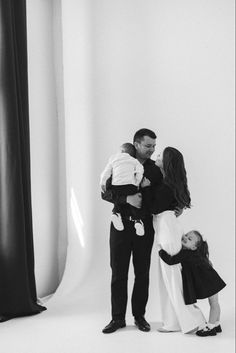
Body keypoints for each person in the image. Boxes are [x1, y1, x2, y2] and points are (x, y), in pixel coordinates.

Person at [101, 128, 162, 333]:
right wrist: (126, 199)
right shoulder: (120, 161)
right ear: (136, 144)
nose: (152, 150)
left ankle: (139, 317)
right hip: (119, 225)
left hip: (144, 226)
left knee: (142, 273)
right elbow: (105, 192)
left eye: (154, 146)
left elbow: (161, 196)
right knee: (118, 273)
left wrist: (175, 207)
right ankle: (117, 318)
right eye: (148, 146)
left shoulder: (155, 170)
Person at [145, 147, 206, 333]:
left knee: (172, 279)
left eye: (160, 156)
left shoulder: (165, 186)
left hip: (168, 233)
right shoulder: (167, 184)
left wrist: (146, 188)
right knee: (169, 279)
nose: (156, 156)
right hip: (169, 230)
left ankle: (186, 321)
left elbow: (153, 208)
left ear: (167, 162)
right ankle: (174, 321)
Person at [158, 230, 226, 336]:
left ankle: (211, 327)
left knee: (213, 304)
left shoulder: (186, 253)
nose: (185, 237)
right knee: (214, 303)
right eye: (186, 235)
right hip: (212, 279)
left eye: (190, 239)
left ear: (194, 247)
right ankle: (216, 324)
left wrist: (161, 252)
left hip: (210, 281)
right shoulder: (194, 253)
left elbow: (171, 261)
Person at [100, 142, 150, 236]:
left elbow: (105, 172)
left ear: (121, 151)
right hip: (130, 185)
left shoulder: (113, 159)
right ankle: (138, 221)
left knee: (117, 196)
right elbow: (140, 170)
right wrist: (137, 182)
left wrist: (102, 182)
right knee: (134, 203)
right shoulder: (134, 161)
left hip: (116, 185)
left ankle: (115, 213)